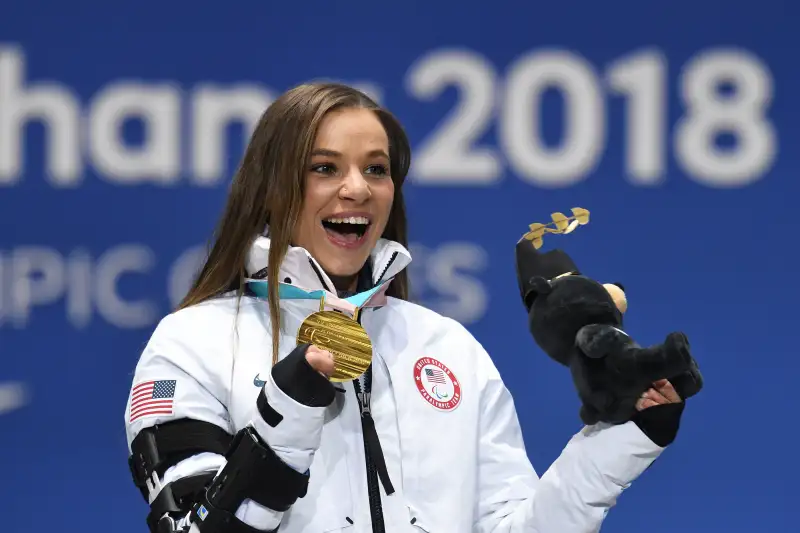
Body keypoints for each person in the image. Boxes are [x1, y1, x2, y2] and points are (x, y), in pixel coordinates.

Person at [124, 82, 687, 533]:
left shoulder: (446, 347)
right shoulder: (191, 344)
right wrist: (290, 409)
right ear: (271, 186)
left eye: (376, 168)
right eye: (325, 168)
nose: (357, 189)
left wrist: (624, 436)